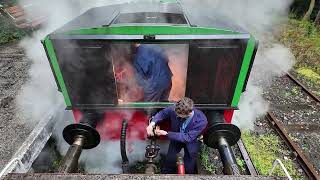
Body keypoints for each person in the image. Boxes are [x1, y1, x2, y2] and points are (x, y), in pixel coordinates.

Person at [146, 97, 208, 174]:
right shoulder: (175, 108)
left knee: (189, 165)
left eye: (179, 115)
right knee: (170, 160)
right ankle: (166, 174)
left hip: (191, 141)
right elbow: (163, 113)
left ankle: (188, 175)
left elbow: (187, 138)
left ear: (189, 113)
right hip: (175, 139)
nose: (176, 116)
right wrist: (152, 124)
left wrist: (166, 133)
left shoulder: (201, 120)